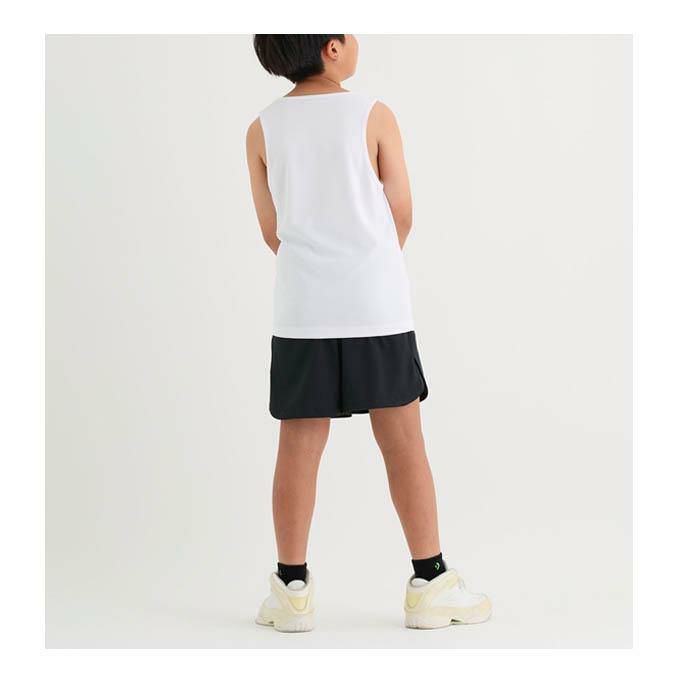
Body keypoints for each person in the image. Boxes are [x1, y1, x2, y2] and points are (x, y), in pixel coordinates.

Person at [246, 34, 490, 632]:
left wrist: (316, 271)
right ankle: (431, 581)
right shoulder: (374, 113)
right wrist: (368, 264)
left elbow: (272, 230)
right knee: (403, 440)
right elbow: (401, 210)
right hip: (375, 305)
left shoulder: (261, 129)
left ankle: (292, 589)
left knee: (298, 444)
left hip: (302, 311)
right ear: (332, 48)